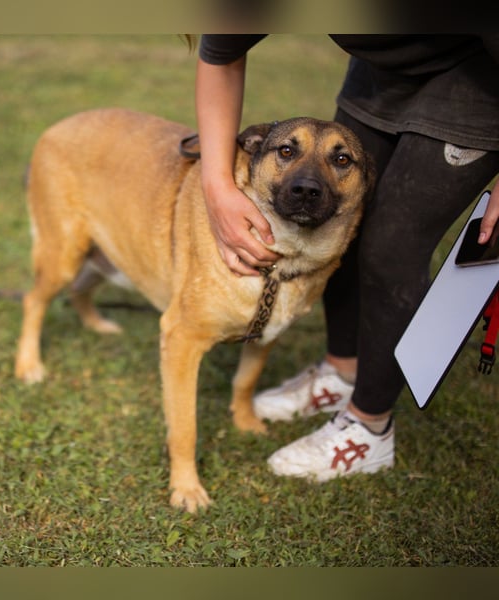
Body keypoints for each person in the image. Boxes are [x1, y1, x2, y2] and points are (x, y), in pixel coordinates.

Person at [196, 34, 499, 481]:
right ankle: (341, 372)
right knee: (339, 227)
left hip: (479, 75)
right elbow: (221, 57)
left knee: (391, 248)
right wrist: (217, 186)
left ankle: (369, 428)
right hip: (381, 71)